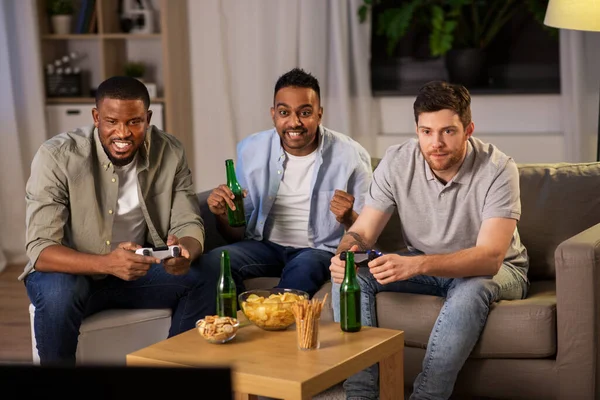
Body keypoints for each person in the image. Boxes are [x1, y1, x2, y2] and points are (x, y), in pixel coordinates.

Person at [329, 81, 529, 400]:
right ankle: (361, 393)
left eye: (448, 131)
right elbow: (362, 232)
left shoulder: (498, 168)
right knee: (352, 279)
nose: (436, 143)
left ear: (468, 129)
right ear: (417, 129)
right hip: (424, 264)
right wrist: (344, 255)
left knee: (472, 289)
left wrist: (416, 264)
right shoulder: (398, 162)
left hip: (499, 269)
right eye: (426, 131)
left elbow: (490, 258)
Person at [20, 76, 218, 366]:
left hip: (135, 272)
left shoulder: (170, 151)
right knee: (60, 295)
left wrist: (185, 252)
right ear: (96, 117)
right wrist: (106, 263)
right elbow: (40, 250)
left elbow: (187, 222)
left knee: (206, 274)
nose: (122, 133)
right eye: (111, 121)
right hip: (69, 273)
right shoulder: (57, 156)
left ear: (148, 118)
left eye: (134, 122)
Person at [202, 68, 372, 298]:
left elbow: (367, 232)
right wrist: (222, 214)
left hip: (317, 251)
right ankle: (235, 323)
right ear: (273, 114)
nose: (294, 123)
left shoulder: (351, 155)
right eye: (284, 112)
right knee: (214, 262)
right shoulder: (251, 150)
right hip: (264, 246)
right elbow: (236, 232)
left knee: (305, 267)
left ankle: (271, 319)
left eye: (305, 112)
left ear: (319, 114)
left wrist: (348, 217)